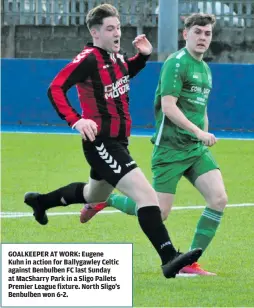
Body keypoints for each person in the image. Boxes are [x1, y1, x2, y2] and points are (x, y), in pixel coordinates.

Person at [24, 4, 202, 278]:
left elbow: (122, 74)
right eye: (110, 28)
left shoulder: (115, 58)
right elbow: (56, 87)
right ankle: (170, 258)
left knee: (92, 195)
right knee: (147, 196)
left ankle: (41, 202)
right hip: (102, 142)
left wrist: (142, 58)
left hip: (117, 141)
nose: (117, 33)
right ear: (95, 33)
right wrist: (76, 119)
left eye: (118, 27)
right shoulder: (89, 58)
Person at [80, 12, 228, 276]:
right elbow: (169, 107)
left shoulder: (204, 68)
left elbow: (201, 108)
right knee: (158, 213)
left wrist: (203, 134)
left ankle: (188, 264)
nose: (203, 38)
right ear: (186, 34)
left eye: (207, 33)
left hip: (195, 149)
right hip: (170, 149)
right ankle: (108, 200)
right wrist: (198, 132)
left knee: (218, 199)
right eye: (197, 32)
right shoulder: (177, 63)